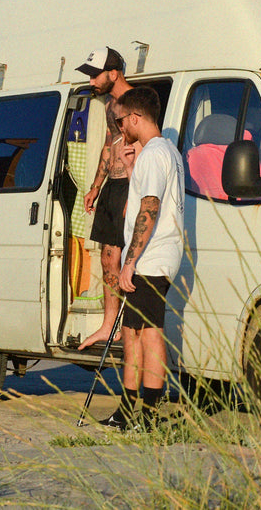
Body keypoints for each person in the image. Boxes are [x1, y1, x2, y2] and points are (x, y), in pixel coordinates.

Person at [99, 86, 184, 430]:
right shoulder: (164, 152)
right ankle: (126, 410)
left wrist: (129, 262)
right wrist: (133, 167)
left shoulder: (154, 153)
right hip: (155, 255)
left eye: (120, 121)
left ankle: (147, 417)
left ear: (135, 118)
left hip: (152, 258)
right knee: (132, 332)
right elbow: (144, 196)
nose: (119, 128)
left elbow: (149, 208)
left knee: (149, 334)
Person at [75, 47, 136, 350]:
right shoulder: (109, 106)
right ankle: (109, 324)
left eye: (95, 75)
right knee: (106, 257)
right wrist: (95, 187)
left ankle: (128, 325)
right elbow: (108, 146)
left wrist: (136, 190)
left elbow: (144, 147)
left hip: (129, 185)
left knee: (125, 258)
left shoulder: (136, 103)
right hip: (111, 186)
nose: (91, 82)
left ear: (114, 73)